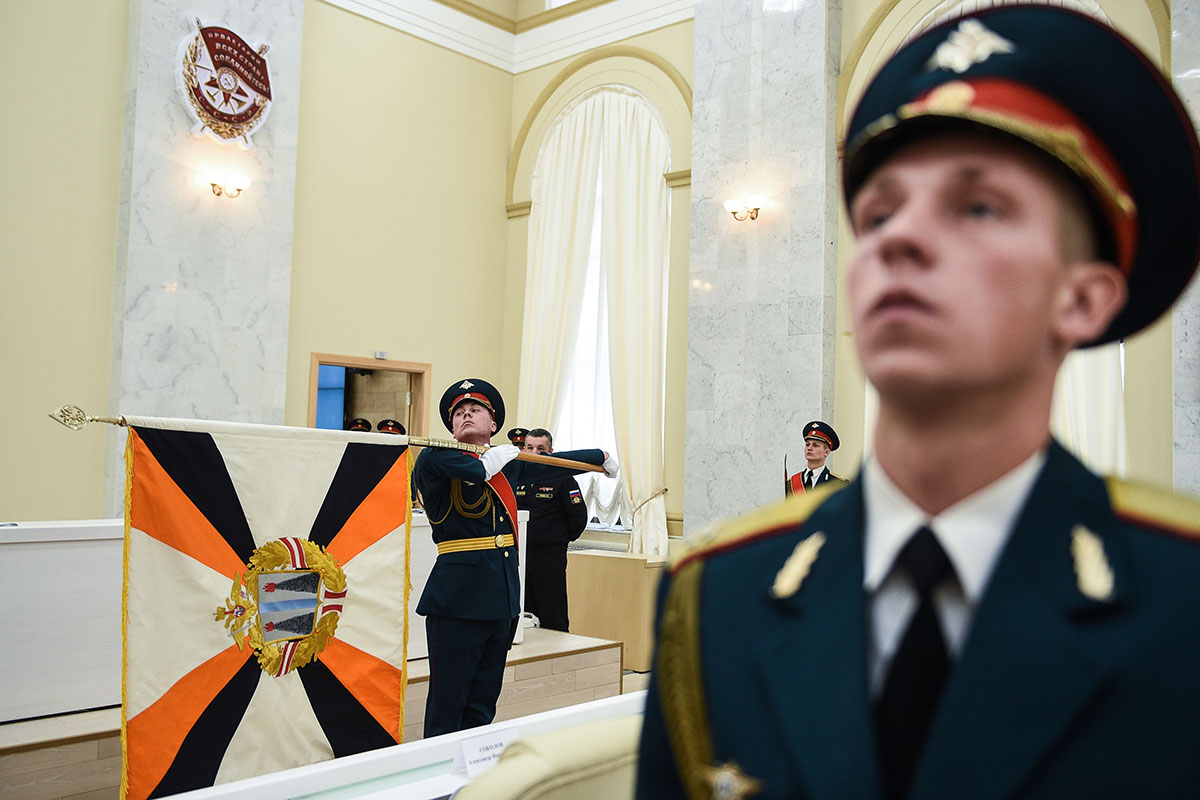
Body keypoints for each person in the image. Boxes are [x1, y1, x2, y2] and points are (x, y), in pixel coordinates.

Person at [637, 6, 1200, 799]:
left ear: (1084, 300)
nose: (899, 241)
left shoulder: (1181, 601)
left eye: (978, 207)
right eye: (879, 214)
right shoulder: (719, 595)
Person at [412, 379, 617, 737]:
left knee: (483, 702)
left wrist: (599, 457)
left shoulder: (508, 462)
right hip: (457, 602)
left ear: (493, 425)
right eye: (459, 413)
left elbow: (552, 463)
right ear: (452, 427)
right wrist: (490, 460)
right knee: (448, 702)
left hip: (501, 601)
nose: (466, 415)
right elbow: (476, 470)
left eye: (475, 410)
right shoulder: (435, 457)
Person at [510, 426, 589, 632]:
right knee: (522, 610)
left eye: (541, 448)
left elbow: (578, 518)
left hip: (549, 556)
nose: (535, 453)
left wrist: (556, 539)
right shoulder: (517, 478)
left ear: (551, 452)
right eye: (529, 448)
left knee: (552, 610)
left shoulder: (563, 480)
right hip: (520, 554)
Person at [786, 421, 847, 496]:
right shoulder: (792, 482)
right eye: (807, 444)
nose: (809, 448)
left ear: (826, 452)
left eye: (815, 445)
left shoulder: (838, 484)